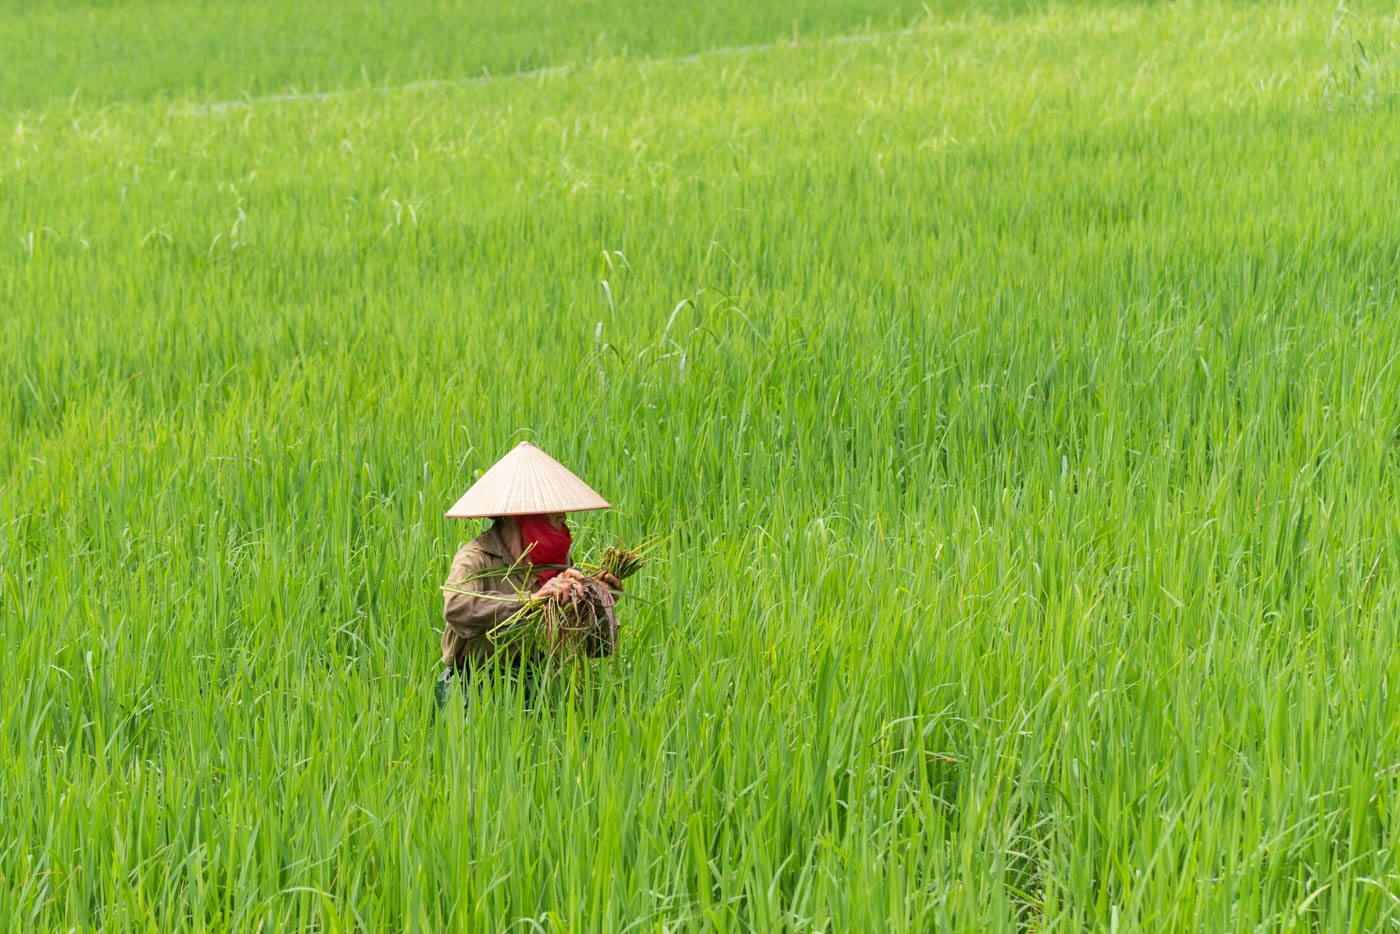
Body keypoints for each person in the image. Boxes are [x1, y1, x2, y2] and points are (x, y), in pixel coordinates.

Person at [435, 442, 621, 708]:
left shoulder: (556, 566)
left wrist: (601, 604)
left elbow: (592, 649)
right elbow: (457, 608)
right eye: (555, 519)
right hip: (475, 689)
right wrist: (532, 601)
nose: (563, 527)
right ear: (524, 518)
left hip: (538, 686)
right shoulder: (475, 557)